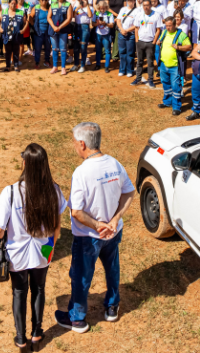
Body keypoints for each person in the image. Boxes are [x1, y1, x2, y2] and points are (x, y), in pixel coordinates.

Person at [55, 122, 134, 333]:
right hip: (114, 233)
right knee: (112, 268)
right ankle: (112, 306)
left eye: (74, 143)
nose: (74, 146)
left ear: (82, 144)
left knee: (81, 275)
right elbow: (129, 192)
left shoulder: (81, 173)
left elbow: (77, 212)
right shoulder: (115, 164)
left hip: (88, 236)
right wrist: (115, 220)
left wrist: (99, 225)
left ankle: (78, 318)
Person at [0, 144, 66, 349]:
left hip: (17, 253)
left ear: (24, 163)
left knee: (19, 292)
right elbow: (57, 227)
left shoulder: (10, 193)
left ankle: (20, 338)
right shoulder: (54, 190)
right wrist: (50, 245)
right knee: (39, 288)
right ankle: (37, 332)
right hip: (44, 250)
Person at [157, 16, 192, 116]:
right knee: (165, 84)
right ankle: (167, 102)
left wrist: (179, 47)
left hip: (175, 66)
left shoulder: (181, 34)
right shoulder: (164, 32)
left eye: (170, 26)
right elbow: (160, 40)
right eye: (166, 25)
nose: (168, 27)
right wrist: (159, 41)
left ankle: (177, 107)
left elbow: (189, 46)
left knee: (176, 86)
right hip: (164, 63)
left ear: (174, 24)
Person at [131, 0, 163, 89]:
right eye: (144, 5)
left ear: (150, 5)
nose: (146, 7)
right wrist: (137, 40)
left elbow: (158, 30)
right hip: (140, 41)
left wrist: (154, 42)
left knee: (150, 62)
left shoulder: (156, 15)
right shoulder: (139, 15)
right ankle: (138, 78)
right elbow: (136, 28)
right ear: (142, 6)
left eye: (147, 5)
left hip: (150, 42)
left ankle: (151, 80)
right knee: (139, 61)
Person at [47, 0, 73, 75]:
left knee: (63, 49)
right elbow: (49, 17)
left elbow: (69, 18)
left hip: (63, 30)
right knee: (54, 49)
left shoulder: (68, 5)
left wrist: (60, 27)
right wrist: (54, 27)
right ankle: (55, 67)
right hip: (53, 29)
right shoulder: (53, 5)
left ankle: (63, 67)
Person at [0, 0, 27, 72]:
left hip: (16, 35)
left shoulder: (20, 12)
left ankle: (16, 66)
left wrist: (23, 30)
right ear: (8, 3)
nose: (13, 5)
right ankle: (8, 66)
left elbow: (26, 22)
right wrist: (0, 28)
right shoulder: (4, 11)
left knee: (16, 51)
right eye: (12, 3)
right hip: (7, 35)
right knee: (8, 51)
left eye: (15, 3)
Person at [116, 0, 137, 78]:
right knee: (122, 52)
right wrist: (121, 29)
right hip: (121, 33)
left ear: (134, 1)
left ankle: (129, 70)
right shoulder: (123, 9)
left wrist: (127, 30)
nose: (129, 2)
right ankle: (122, 70)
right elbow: (118, 20)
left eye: (131, 0)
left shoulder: (137, 11)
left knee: (130, 53)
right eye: (128, 0)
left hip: (130, 34)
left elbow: (136, 24)